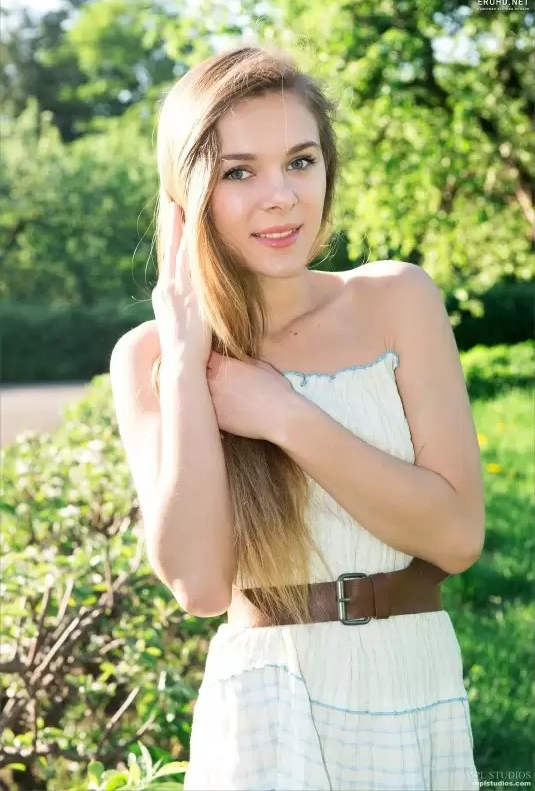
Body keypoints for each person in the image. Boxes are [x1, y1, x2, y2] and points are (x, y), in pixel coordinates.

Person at [110, 44, 484, 791]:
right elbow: (200, 586)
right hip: (264, 709)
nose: (280, 196)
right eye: (238, 172)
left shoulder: (397, 299)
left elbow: (456, 536)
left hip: (411, 681)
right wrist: (185, 365)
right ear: (187, 193)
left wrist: (283, 414)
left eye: (300, 162)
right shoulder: (150, 356)